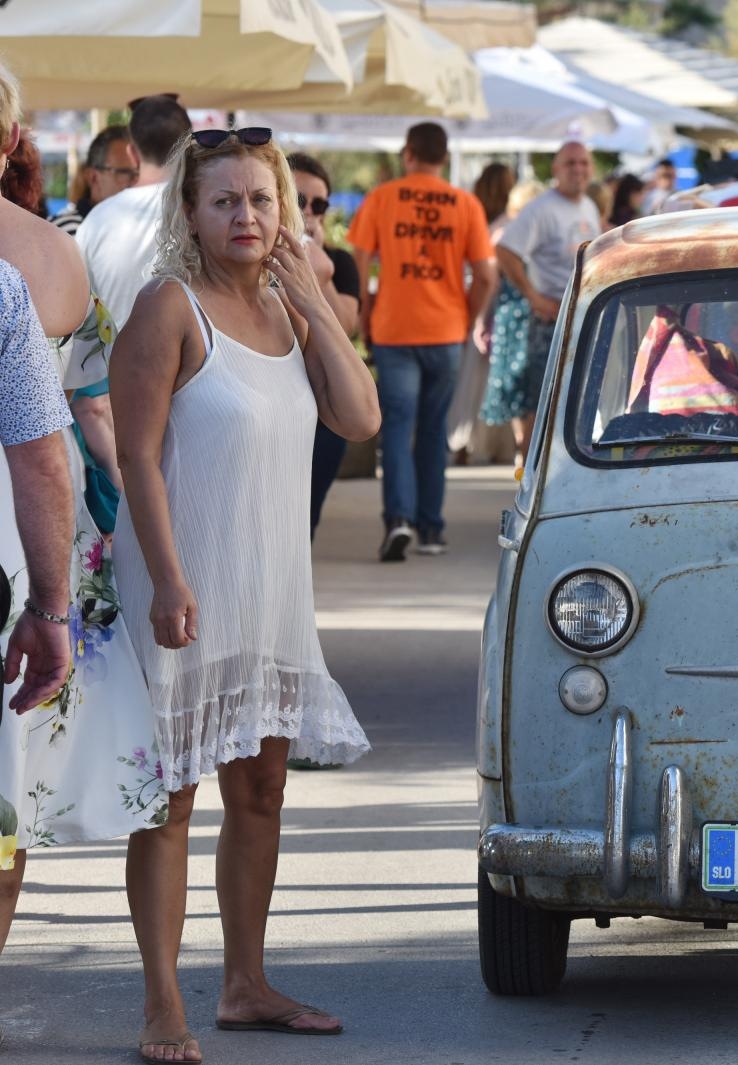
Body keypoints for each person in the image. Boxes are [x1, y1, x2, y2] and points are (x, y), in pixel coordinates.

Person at [110, 126, 380, 1062]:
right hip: (184, 581)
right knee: (171, 799)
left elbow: (361, 416)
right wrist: (169, 578)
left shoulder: (289, 308)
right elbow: (136, 455)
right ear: (190, 210)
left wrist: (319, 304)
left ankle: (245, 984)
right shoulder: (168, 306)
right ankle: (160, 1005)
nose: (248, 216)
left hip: (269, 583)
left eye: (263, 200)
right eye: (225, 200)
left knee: (261, 785)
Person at [0, 59, 164, 1042]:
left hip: (26, 510)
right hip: (19, 523)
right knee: (8, 785)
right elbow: (54, 429)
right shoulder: (35, 258)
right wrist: (55, 604)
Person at [347, 122, 496, 560]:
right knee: (434, 431)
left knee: (396, 426)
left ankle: (398, 520)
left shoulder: (383, 198)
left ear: (408, 153)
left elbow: (360, 259)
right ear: (444, 157)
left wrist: (365, 310)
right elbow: (486, 274)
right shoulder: (465, 204)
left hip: (395, 330)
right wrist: (466, 317)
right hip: (446, 331)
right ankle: (431, 529)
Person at [487, 141, 600, 458]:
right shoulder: (541, 208)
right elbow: (505, 251)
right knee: (542, 411)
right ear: (556, 169)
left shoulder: (587, 206)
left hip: (580, 318)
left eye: (583, 163)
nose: (578, 170)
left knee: (573, 411)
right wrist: (533, 296)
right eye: (570, 163)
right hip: (549, 322)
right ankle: (529, 484)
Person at [287, 152, 362, 538]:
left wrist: (320, 271)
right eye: (300, 200)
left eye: (319, 204)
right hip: (279, 400)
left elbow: (345, 326)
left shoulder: (339, 263)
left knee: (307, 516)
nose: (310, 211)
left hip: (323, 407)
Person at [75, 94, 192, 329]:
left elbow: (77, 307)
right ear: (189, 145)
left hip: (112, 362)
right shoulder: (204, 211)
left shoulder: (96, 221)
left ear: (131, 153)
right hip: (197, 362)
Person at [448, 161, 517, 466]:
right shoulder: (508, 225)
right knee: (491, 380)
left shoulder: (472, 218)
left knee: (468, 382)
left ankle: (462, 442)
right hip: (496, 307)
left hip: (471, 301)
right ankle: (491, 444)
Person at [49, 125, 137, 236]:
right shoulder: (65, 232)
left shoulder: (141, 230)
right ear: (93, 177)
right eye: (125, 173)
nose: (136, 181)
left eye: (141, 173)